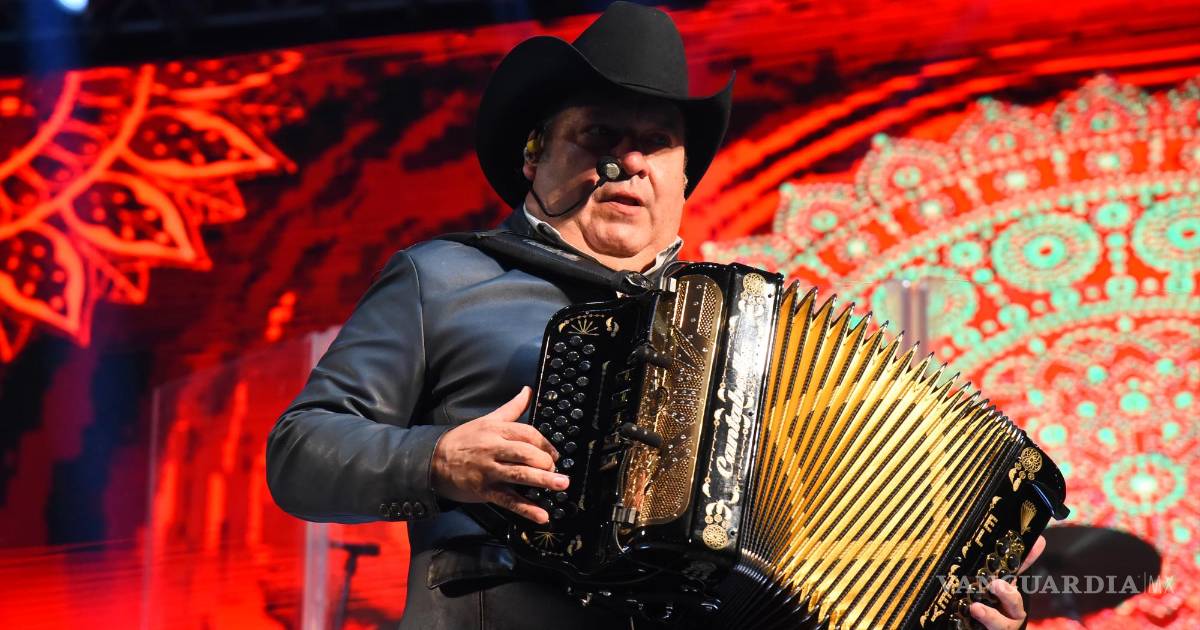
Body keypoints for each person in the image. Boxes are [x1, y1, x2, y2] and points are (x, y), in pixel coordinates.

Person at [265, 3, 1042, 629]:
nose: (629, 161)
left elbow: (825, 551)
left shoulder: (747, 338)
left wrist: (940, 608)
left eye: (656, 143)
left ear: (682, 177)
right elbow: (300, 451)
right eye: (599, 135)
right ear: (534, 156)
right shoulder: (443, 276)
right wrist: (438, 461)